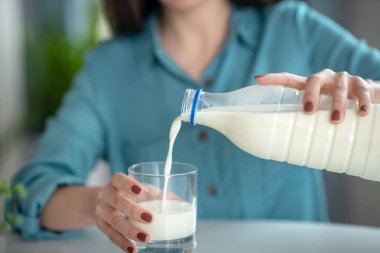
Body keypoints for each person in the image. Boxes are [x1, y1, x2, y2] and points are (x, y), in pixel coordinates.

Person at [8, 0, 380, 252]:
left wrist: (369, 91)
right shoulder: (108, 71)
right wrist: (99, 204)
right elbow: (25, 195)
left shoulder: (293, 28)